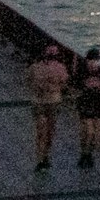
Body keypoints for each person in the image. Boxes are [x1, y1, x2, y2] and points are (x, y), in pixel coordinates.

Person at [25, 43, 69, 172]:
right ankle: (41, 159)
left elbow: (28, 81)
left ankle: (44, 157)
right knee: (43, 130)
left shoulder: (37, 67)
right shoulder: (58, 68)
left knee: (47, 131)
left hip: (48, 101)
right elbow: (64, 84)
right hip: (45, 101)